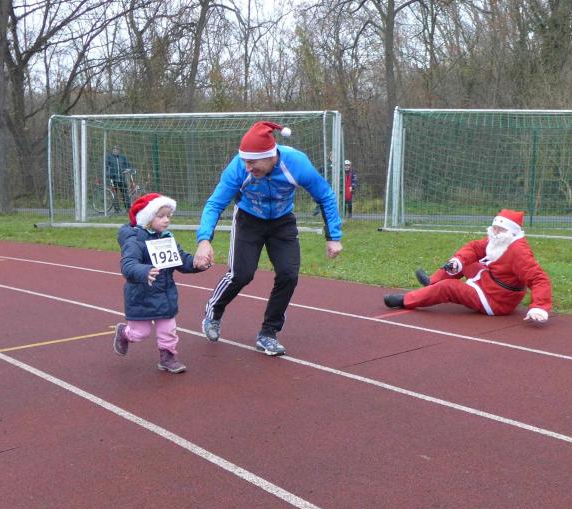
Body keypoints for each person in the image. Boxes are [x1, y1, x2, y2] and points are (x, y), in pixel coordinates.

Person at [193, 121, 343, 355]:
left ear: (271, 155)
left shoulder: (297, 163)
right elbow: (215, 203)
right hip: (248, 220)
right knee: (241, 274)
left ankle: (268, 332)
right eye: (245, 161)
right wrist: (204, 240)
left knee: (288, 275)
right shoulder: (238, 168)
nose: (247, 167)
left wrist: (333, 236)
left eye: (252, 162)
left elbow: (325, 196)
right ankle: (213, 313)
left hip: (282, 221)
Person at [383, 209, 552, 323]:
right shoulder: (500, 239)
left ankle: (406, 300)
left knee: (448, 287)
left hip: (496, 300)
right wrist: (457, 261)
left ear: (511, 231)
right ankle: (432, 282)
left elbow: (539, 279)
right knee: (462, 262)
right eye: (494, 227)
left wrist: (539, 307)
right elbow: (474, 248)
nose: (494, 232)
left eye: (499, 229)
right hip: (489, 282)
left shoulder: (519, 251)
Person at [113, 192, 207, 373]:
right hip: (141, 296)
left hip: (165, 295)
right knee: (140, 333)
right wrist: (144, 271)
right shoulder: (135, 241)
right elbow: (128, 264)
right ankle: (124, 333)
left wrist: (197, 263)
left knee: (168, 330)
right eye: (161, 216)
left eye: (168, 216)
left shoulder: (167, 238)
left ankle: (168, 357)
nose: (166, 220)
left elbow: (181, 260)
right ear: (147, 218)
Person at [105, 145, 133, 213]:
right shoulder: (109, 157)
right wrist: (108, 174)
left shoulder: (123, 157)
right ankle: (117, 209)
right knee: (115, 194)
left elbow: (128, 165)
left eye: (117, 149)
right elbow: (106, 167)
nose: (115, 150)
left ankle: (128, 208)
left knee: (125, 193)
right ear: (112, 150)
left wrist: (130, 169)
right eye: (114, 149)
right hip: (113, 178)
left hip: (121, 178)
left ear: (119, 150)